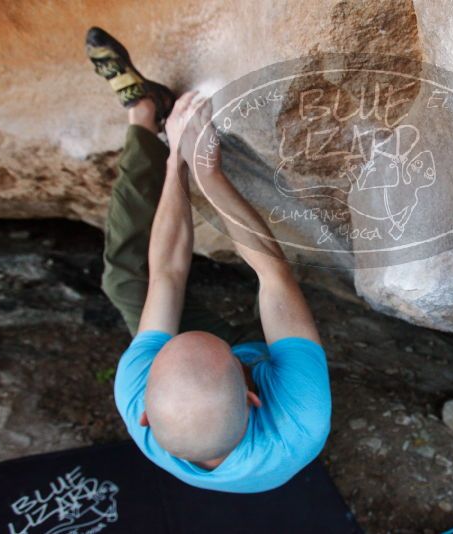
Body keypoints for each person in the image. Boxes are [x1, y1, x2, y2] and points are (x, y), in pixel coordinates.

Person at [86, 27, 331, 493]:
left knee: (125, 282)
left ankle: (144, 113)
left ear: (144, 415)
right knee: (281, 306)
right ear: (253, 395)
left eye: (162, 350)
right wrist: (209, 172)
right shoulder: (301, 417)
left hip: (208, 378)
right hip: (251, 382)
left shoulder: (134, 391)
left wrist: (177, 157)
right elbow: (272, 273)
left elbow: (168, 275)